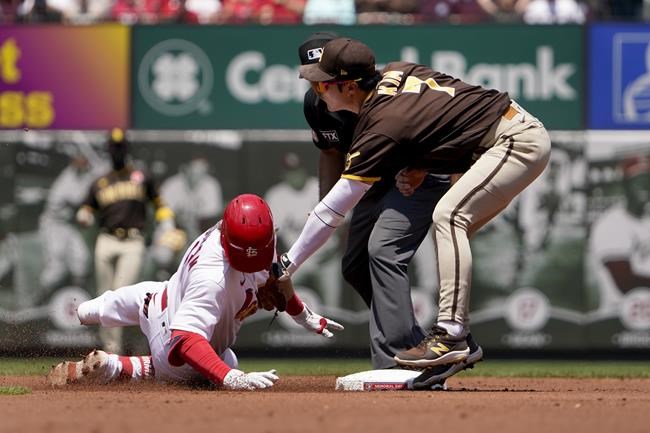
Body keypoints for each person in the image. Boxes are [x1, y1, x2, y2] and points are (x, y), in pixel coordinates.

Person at [281, 37, 550, 388]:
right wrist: (424, 160)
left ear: (347, 86)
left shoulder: (382, 120)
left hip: (514, 140)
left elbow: (335, 206)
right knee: (448, 226)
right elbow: (446, 112)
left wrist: (285, 265)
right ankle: (456, 342)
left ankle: (450, 335)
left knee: (449, 218)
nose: (316, 89)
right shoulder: (394, 73)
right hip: (503, 134)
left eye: (321, 81)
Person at [298, 33, 477, 376]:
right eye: (316, 81)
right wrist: (327, 214)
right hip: (369, 182)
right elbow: (331, 153)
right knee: (354, 265)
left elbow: (447, 131)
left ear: (345, 78)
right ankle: (430, 347)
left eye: (327, 80)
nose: (320, 87)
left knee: (382, 249)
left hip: (414, 175)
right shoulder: (317, 107)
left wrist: (439, 179)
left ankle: (396, 360)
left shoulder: (382, 95)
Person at [48, 194, 342, 390]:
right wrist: (231, 378)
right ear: (228, 240)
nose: (255, 262)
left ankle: (83, 311)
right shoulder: (212, 277)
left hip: (155, 299)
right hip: (175, 345)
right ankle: (115, 365)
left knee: (94, 308)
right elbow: (185, 340)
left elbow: (277, 277)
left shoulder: (240, 232)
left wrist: (303, 315)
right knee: (223, 361)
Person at [76, 128, 177, 354]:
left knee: (121, 292)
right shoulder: (100, 181)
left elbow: (159, 204)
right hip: (106, 239)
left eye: (120, 147)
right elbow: (86, 207)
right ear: (109, 150)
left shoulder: (141, 176)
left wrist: (167, 222)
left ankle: (132, 346)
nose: (117, 151)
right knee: (104, 294)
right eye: (114, 147)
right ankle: (111, 351)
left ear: (126, 149)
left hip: (133, 241)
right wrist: (84, 215)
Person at [38, 141, 108, 298]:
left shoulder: (85, 173)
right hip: (54, 225)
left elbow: (102, 171)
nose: (82, 161)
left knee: (82, 260)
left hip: (69, 226)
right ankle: (41, 300)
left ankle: (77, 299)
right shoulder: (67, 179)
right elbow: (78, 200)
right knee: (57, 268)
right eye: (78, 159)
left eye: (83, 158)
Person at [588, 154, 650, 314]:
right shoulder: (611, 224)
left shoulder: (647, 220)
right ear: (625, 186)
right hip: (619, 317)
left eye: (648, 181)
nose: (645, 187)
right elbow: (625, 282)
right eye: (639, 181)